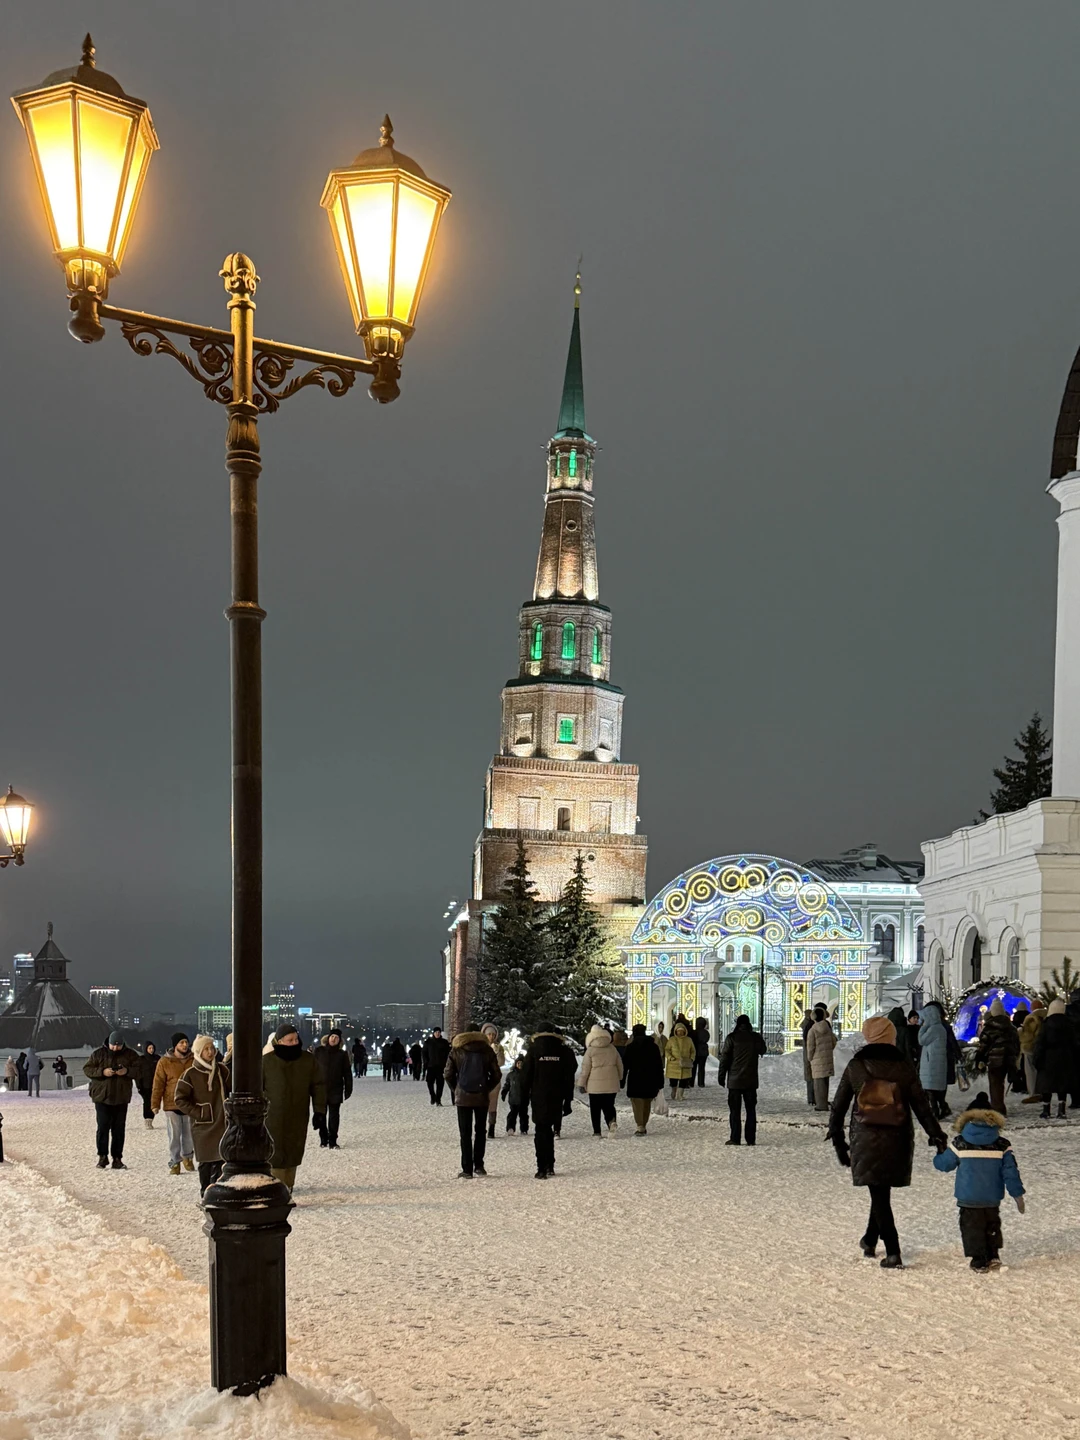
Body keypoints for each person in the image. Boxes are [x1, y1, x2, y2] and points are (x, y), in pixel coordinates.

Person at [828, 1014, 946, 1269]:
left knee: (878, 1190)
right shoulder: (903, 1066)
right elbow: (921, 1106)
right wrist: (936, 1134)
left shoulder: (856, 1066)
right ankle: (870, 1239)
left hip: (865, 1137)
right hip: (898, 1137)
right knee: (880, 1190)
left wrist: (837, 1138)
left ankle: (893, 1250)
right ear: (890, 1037)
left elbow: (838, 1106)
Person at [933, 1092, 1025, 1271]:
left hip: (968, 1196)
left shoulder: (961, 1143)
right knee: (992, 1224)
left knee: (972, 1228)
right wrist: (1017, 1194)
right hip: (992, 1196)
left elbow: (944, 1165)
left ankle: (978, 1259)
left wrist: (939, 1153)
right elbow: (1011, 1172)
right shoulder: (1002, 1144)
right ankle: (993, 1254)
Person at [262, 1022, 326, 1192]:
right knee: (275, 1151)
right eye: (289, 1040)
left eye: (295, 1039)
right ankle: (277, 1187)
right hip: (272, 1116)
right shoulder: (266, 1062)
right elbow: (258, 1089)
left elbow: (318, 1086)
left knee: (294, 1149)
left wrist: (319, 1111)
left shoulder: (307, 1060)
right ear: (279, 1041)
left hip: (298, 1113)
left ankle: (288, 1184)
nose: (294, 1043)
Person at [173, 1034, 231, 1195]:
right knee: (205, 1162)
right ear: (198, 1052)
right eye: (206, 1049)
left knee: (221, 1160)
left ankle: (218, 1192)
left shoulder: (221, 1070)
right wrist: (199, 1112)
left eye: (212, 1048)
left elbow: (234, 1087)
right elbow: (180, 1099)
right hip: (203, 1126)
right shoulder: (190, 1074)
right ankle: (205, 1192)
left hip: (222, 1123)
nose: (210, 1052)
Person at [519, 1024, 577, 1179]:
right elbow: (569, 1078)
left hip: (539, 1096)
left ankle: (541, 1167)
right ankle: (550, 1165)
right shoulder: (564, 1051)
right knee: (550, 1129)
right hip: (557, 1096)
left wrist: (524, 1096)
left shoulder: (533, 1051)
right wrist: (568, 1100)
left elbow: (525, 1076)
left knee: (540, 1130)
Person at [444, 1028, 501, 1178]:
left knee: (465, 1133)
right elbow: (497, 1074)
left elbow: (448, 1073)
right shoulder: (487, 1050)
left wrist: (457, 1088)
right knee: (480, 1131)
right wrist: (486, 1088)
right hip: (481, 1096)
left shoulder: (457, 1049)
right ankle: (479, 1165)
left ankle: (467, 1169)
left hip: (463, 1097)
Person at [83, 1030, 140, 1169]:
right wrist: (103, 1072)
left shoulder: (131, 1055)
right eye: (113, 1045)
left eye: (118, 1046)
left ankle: (117, 1158)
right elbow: (87, 1069)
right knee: (102, 1127)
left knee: (118, 1129)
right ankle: (102, 1156)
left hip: (121, 1098)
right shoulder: (98, 1054)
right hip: (102, 1097)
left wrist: (126, 1071)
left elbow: (140, 1070)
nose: (115, 1048)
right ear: (108, 1043)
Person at [717, 1013, 767, 1146]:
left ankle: (735, 1138)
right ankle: (751, 1139)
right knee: (751, 1111)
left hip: (734, 1082)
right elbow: (763, 1049)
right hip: (750, 1081)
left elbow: (725, 1059)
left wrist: (721, 1076)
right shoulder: (755, 1037)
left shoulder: (731, 1038)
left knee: (734, 1111)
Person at [152, 1032, 196, 1174]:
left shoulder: (194, 1060)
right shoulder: (165, 1062)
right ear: (175, 1045)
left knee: (189, 1134)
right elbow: (158, 1083)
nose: (184, 1045)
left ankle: (187, 1157)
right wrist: (155, 1104)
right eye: (181, 1043)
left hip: (189, 1102)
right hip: (172, 1103)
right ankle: (175, 1162)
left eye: (186, 1042)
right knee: (174, 1135)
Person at [974, 998, 1021, 1116]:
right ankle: (1000, 1106)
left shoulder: (989, 1028)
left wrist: (980, 1058)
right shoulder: (1011, 1027)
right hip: (1009, 1059)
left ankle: (997, 1109)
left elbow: (983, 1045)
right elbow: (1017, 1044)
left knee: (995, 1084)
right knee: (1001, 1083)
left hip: (995, 1060)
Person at [1033, 998, 1075, 1119]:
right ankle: (1061, 1110)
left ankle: (1046, 1110)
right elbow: (1074, 1043)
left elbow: (1040, 1043)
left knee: (1047, 1085)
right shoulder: (1069, 1024)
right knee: (1062, 1085)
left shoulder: (1046, 1024)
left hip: (1048, 1058)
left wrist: (1037, 1059)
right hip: (1065, 1057)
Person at [579, 1023, 624, 1136]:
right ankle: (611, 1122)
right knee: (609, 1105)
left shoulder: (590, 1050)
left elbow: (585, 1069)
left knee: (595, 1108)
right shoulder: (612, 1048)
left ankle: (597, 1131)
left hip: (594, 1085)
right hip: (611, 1083)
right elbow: (620, 1065)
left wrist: (581, 1083)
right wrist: (620, 1078)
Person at [313, 1028, 353, 1148]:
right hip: (320, 1088)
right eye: (332, 1037)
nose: (333, 1039)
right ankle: (323, 1138)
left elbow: (347, 1073)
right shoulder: (319, 1051)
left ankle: (333, 1140)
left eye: (336, 1037)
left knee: (334, 1116)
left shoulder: (342, 1055)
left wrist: (348, 1088)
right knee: (321, 1115)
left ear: (339, 1041)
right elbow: (312, 1069)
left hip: (336, 1088)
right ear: (328, 1038)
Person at [622, 1023, 664, 1135]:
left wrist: (621, 1081)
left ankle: (640, 1125)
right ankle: (644, 1123)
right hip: (650, 1079)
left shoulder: (630, 1048)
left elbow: (625, 1065)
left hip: (635, 1078)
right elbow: (658, 1065)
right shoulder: (653, 1047)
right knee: (646, 1102)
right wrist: (660, 1082)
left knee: (637, 1103)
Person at [918, 1001, 951, 1118]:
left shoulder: (933, 1029)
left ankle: (934, 1113)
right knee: (935, 1090)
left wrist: (923, 1027)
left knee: (930, 1089)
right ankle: (941, 1109)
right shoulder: (940, 1028)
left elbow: (921, 1040)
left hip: (931, 1063)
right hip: (935, 1063)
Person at [805, 1005, 836, 1112]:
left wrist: (810, 1058)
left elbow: (810, 1047)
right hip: (827, 1059)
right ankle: (824, 1102)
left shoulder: (812, 1030)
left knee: (818, 1084)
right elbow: (833, 1042)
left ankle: (821, 1106)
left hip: (817, 1060)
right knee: (825, 1082)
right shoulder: (827, 1028)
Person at [479, 1023, 506, 1139]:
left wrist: (497, 1054)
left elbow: (501, 1063)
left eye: (493, 1034)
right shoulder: (480, 1047)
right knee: (481, 1103)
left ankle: (491, 1127)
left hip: (494, 1079)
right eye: (489, 1034)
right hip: (482, 1078)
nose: (491, 1036)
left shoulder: (499, 1047)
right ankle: (481, 1127)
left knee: (493, 1105)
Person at [1019, 1000, 1046, 1097]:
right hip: (1045, 1047)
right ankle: (1044, 1090)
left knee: (1031, 1071)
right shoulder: (1047, 1016)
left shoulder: (1031, 1018)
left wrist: (1021, 1034)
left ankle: (1034, 1093)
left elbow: (1028, 1035)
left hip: (1031, 1047)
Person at [664, 1020, 696, 1101]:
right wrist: (670, 1057)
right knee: (673, 1081)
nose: (680, 1033)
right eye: (678, 1031)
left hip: (685, 1063)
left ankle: (680, 1095)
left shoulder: (688, 1040)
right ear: (676, 1031)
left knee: (684, 1080)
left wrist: (691, 1058)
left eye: (682, 1031)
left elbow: (693, 1050)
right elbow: (667, 1050)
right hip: (673, 1064)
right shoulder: (671, 1040)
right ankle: (674, 1092)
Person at [423, 1027, 451, 1106]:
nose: (437, 1033)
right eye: (436, 1032)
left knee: (440, 1084)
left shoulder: (444, 1043)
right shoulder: (428, 1042)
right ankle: (432, 1095)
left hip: (441, 1066)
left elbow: (448, 1054)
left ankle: (438, 1100)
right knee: (429, 1082)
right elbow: (424, 1053)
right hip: (431, 1066)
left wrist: (446, 1063)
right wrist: (426, 1062)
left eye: (438, 1032)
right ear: (433, 1033)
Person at [501, 1055, 529, 1134]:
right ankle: (510, 1128)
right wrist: (504, 1093)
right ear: (516, 1063)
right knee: (512, 1115)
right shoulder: (511, 1075)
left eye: (522, 1063)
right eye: (518, 1063)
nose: (520, 1065)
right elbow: (507, 1085)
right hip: (513, 1099)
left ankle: (524, 1129)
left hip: (524, 1099)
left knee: (523, 1115)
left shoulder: (527, 1075)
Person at [134, 1042, 158, 1128]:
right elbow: (138, 1074)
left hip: (156, 1085)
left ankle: (151, 1118)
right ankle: (147, 1119)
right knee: (147, 1102)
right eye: (149, 1048)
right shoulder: (141, 1060)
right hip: (145, 1086)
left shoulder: (157, 1058)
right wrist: (139, 1086)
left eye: (152, 1048)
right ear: (145, 1049)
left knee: (154, 1103)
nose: (151, 1050)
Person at [799, 1007, 815, 1106]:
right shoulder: (811, 1025)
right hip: (811, 1053)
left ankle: (811, 1098)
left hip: (807, 1053)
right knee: (812, 1078)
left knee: (810, 1077)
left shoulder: (806, 1024)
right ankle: (812, 1098)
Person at [692, 1018, 710, 1087]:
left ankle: (691, 1082)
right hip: (703, 1051)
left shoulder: (694, 1032)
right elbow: (707, 1039)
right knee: (701, 1068)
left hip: (695, 1051)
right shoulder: (706, 1032)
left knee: (693, 1068)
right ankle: (701, 1083)